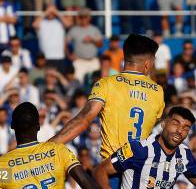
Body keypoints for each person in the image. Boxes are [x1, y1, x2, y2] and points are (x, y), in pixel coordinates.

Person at [50, 34, 165, 187]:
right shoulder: (158, 91)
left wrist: (48, 147)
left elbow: (84, 120)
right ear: (147, 64)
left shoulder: (106, 84)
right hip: (141, 173)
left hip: (112, 171)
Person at [94, 106, 196, 189]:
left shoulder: (184, 155)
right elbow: (100, 170)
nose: (179, 131)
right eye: (175, 123)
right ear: (163, 124)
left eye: (185, 128)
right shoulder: (138, 149)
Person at [0, 102, 97, 188]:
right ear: (38, 126)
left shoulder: (1, 165)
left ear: (12, 125)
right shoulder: (58, 150)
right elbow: (86, 182)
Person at [66, 8, 104, 83]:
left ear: (89, 18)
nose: (83, 19)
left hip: (93, 61)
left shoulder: (94, 30)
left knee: (96, 83)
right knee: (78, 82)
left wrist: (92, 40)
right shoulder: (74, 30)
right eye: (81, 17)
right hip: (79, 61)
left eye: (85, 17)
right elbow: (65, 43)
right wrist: (69, 55)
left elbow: (101, 44)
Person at [33, 4, 69, 72]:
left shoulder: (60, 22)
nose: (50, 12)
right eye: (49, 11)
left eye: (52, 11)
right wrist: (46, 12)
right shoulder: (41, 22)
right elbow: (34, 24)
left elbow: (68, 24)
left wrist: (56, 12)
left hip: (59, 57)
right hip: (45, 58)